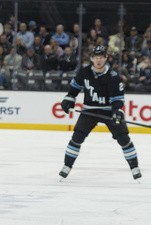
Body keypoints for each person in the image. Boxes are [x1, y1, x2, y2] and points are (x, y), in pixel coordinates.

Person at [58, 46, 141, 181]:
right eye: (96, 57)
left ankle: (135, 167)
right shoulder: (84, 72)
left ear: (105, 59)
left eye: (101, 57)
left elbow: (118, 100)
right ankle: (67, 166)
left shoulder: (114, 77)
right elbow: (74, 89)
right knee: (77, 137)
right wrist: (68, 100)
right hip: (89, 110)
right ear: (92, 59)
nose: (99, 60)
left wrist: (117, 112)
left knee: (123, 138)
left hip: (108, 111)